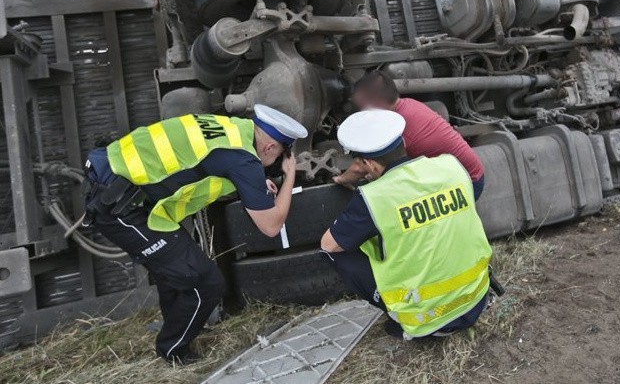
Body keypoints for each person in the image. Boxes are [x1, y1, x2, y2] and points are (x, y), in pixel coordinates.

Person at [83, 105, 307, 363]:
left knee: (175, 272)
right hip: (119, 208)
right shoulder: (245, 160)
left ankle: (177, 331)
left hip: (122, 186)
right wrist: (289, 176)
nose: (275, 165)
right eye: (278, 157)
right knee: (206, 282)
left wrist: (251, 185)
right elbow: (271, 226)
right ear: (269, 148)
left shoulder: (232, 127)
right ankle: (173, 351)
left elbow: (206, 163)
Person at [321, 109, 493, 339]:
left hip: (429, 321)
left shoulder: (374, 197)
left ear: (367, 164)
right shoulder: (451, 166)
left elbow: (329, 244)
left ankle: (401, 315)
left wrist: (345, 183)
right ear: (402, 142)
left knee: (334, 251)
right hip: (476, 298)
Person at [333, 71, 486, 200]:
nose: (362, 111)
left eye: (363, 106)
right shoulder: (407, 104)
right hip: (462, 173)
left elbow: (362, 166)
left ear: (376, 102)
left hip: (467, 182)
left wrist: (341, 179)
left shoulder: (399, 126)